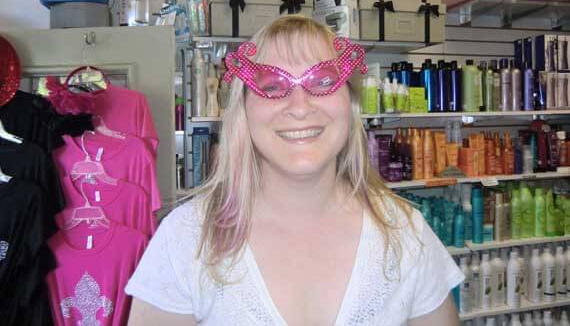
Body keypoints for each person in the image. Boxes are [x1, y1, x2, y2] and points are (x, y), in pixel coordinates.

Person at [125, 16, 464, 325]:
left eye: (322, 81)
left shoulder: (404, 233)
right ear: (243, 109)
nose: (300, 107)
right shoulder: (186, 241)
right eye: (272, 86)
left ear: (350, 102)